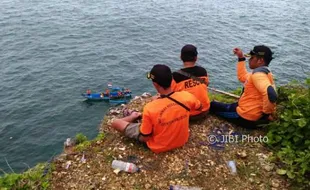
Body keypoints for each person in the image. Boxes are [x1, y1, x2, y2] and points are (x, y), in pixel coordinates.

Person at [111, 64, 202, 153]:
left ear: (155, 84)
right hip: (182, 140)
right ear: (171, 80)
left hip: (158, 146)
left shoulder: (150, 108)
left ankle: (133, 116)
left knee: (115, 122)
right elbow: (199, 108)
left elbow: (145, 137)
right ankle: (135, 115)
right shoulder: (187, 96)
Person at [210, 45, 277, 128]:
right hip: (249, 109)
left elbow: (270, 93)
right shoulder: (264, 72)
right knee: (228, 106)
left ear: (260, 60)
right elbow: (242, 77)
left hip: (245, 116)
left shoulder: (258, 75)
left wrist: (266, 114)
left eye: (252, 57)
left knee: (212, 105)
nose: (249, 60)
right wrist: (241, 58)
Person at [171, 44, 210, 121]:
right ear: (196, 58)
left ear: (181, 57)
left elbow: (171, 94)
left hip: (188, 115)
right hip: (205, 110)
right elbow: (206, 84)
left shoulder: (175, 76)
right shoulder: (203, 71)